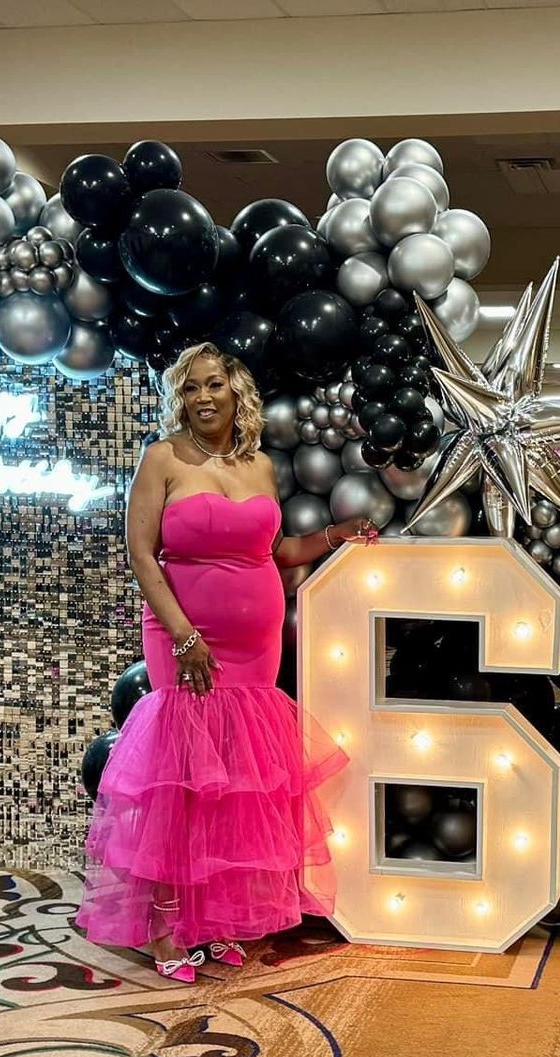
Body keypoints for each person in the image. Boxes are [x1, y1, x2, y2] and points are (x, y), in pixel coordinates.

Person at [79, 342, 376, 983]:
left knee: (234, 784)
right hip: (183, 634)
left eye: (214, 384)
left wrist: (333, 537)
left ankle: (211, 922)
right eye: (190, 389)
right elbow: (141, 555)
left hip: (255, 646)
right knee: (182, 783)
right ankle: (164, 929)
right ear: (178, 400)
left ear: (235, 391)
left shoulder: (260, 466)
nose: (204, 397)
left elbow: (270, 553)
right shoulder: (161, 459)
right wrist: (184, 635)